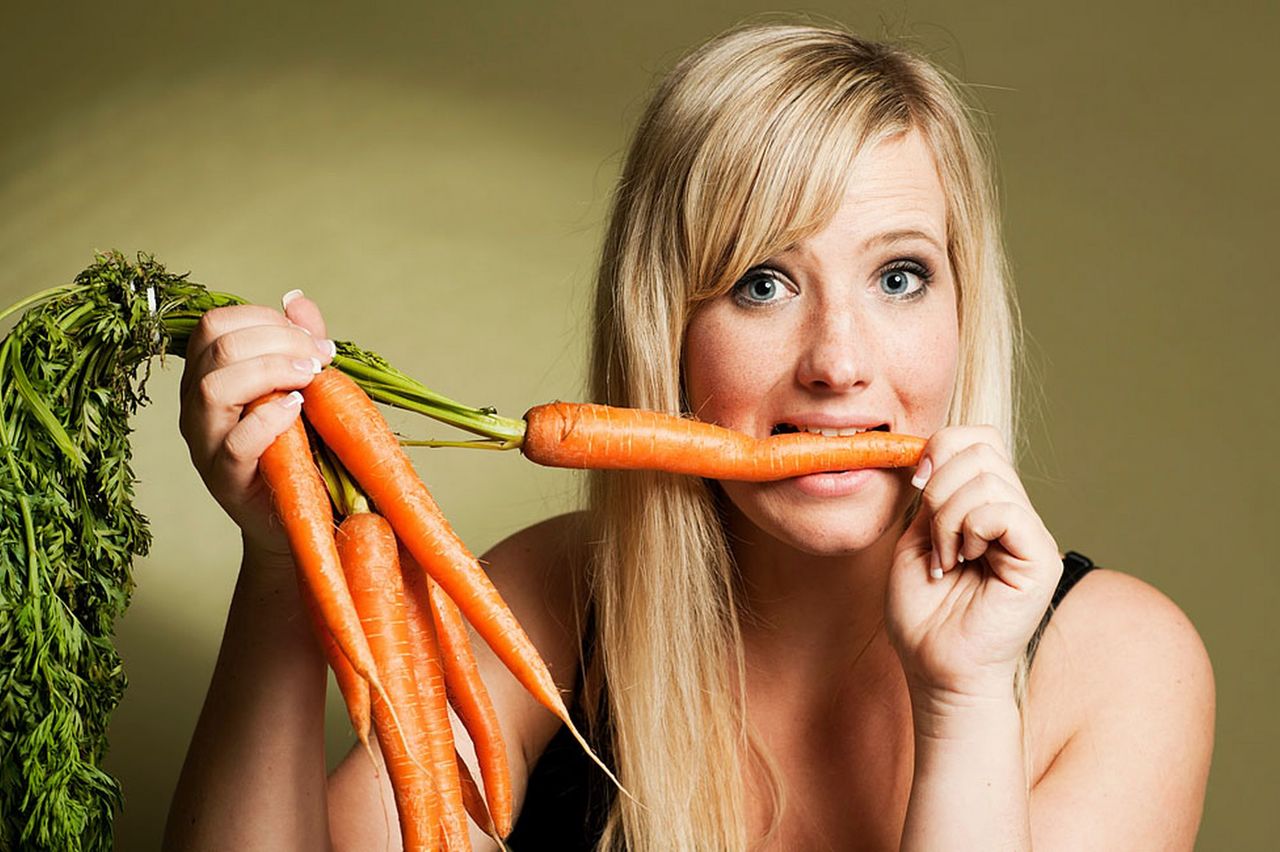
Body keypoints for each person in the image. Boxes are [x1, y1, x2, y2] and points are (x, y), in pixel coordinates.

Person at [164, 22, 1214, 851]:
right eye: (761, 284)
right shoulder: (550, 601)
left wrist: (964, 697)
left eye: (898, 277)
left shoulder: (1118, 664)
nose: (837, 362)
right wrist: (278, 562)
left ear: (958, 308)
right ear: (666, 333)